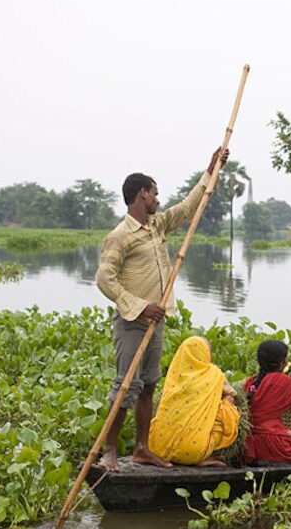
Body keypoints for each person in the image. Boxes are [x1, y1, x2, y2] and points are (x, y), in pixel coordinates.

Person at [95, 147, 230, 471]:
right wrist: (141, 307)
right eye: (154, 193)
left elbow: (188, 207)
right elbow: (105, 280)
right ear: (142, 194)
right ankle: (108, 449)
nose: (158, 199)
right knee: (125, 386)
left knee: (149, 383)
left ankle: (142, 448)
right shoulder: (120, 236)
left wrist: (211, 169)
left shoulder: (156, 226)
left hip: (156, 321)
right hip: (133, 322)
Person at [146, 336, 241, 467]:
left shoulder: (174, 374)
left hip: (158, 448)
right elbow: (235, 396)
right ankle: (207, 456)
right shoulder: (213, 374)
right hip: (193, 451)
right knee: (228, 402)